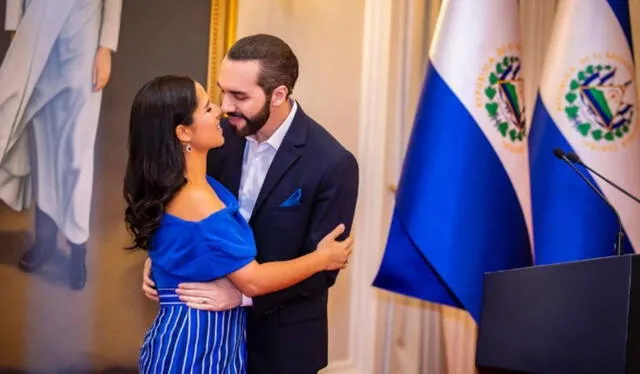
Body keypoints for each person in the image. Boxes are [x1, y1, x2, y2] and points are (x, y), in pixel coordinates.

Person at [143, 34, 360, 373]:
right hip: (205, 343)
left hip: (282, 347)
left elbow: (324, 271)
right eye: (222, 91)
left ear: (278, 94)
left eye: (239, 96)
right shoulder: (214, 136)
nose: (226, 106)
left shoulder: (332, 163)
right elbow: (183, 207)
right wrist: (164, 261)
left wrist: (244, 295)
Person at [0, 0, 122, 290]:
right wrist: (15, 29)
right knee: (40, 145)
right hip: (37, 26)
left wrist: (105, 47)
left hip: (83, 29)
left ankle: (77, 246)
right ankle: (45, 241)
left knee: (76, 151)